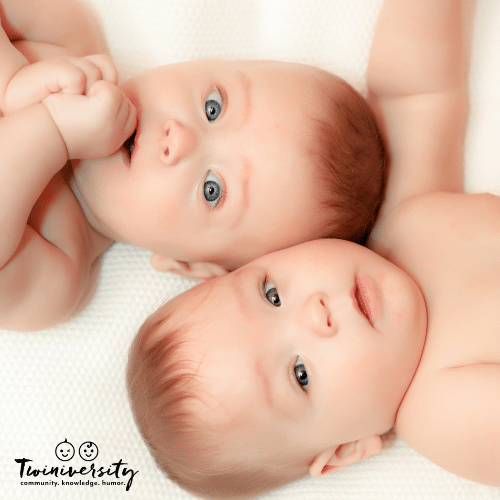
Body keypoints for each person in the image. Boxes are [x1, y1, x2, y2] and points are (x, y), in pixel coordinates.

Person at [126, 0, 476, 498]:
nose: (315, 313)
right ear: (347, 449)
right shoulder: (442, 411)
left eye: (271, 294)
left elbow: (413, 91)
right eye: (301, 373)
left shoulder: (406, 219)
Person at [0, 0, 386, 332]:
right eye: (212, 107)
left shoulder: (58, 271)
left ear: (188, 264)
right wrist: (10, 78)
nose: (180, 138)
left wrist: (51, 132)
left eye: (212, 190)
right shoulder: (69, 41)